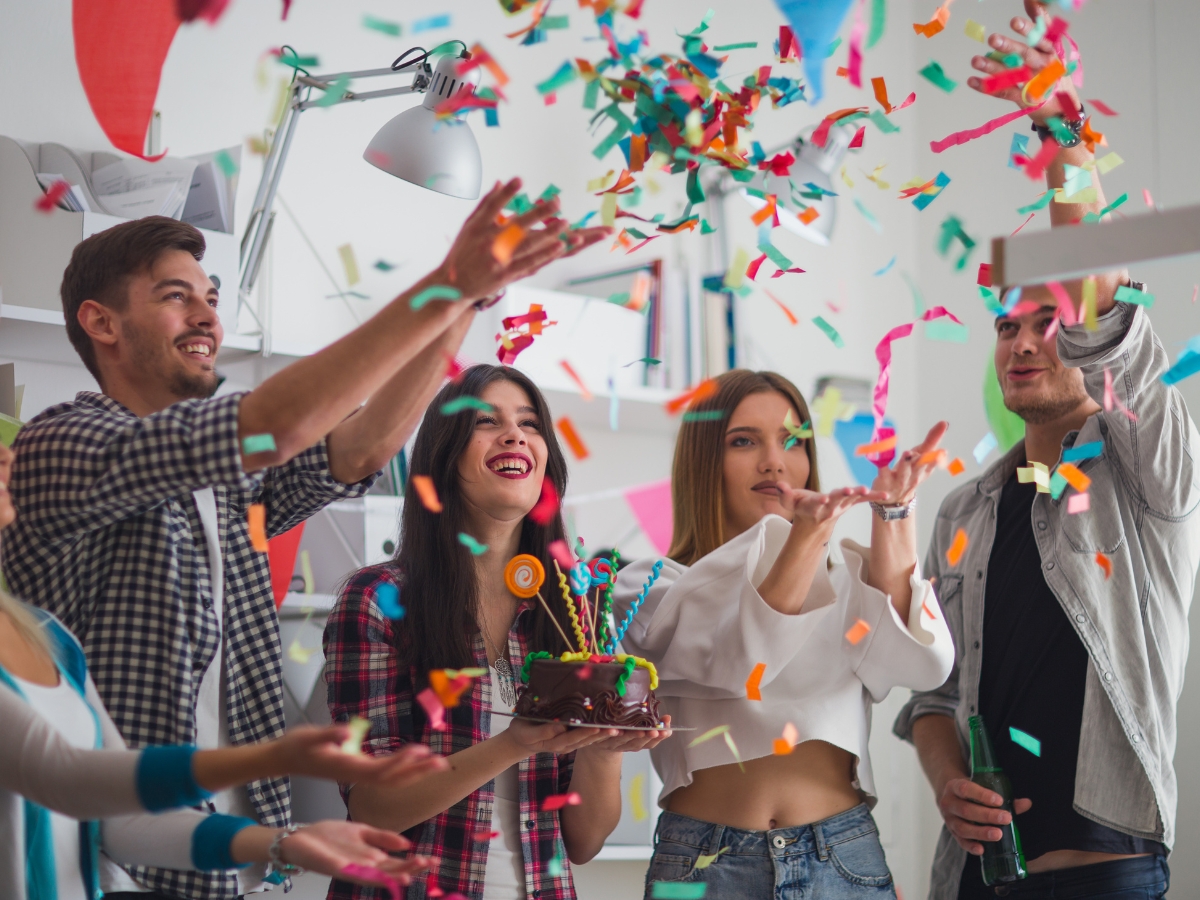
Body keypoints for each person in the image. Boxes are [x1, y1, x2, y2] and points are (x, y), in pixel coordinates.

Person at [3, 181, 607, 900]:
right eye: (176, 296)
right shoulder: (66, 442)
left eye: (212, 297)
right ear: (100, 323)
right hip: (113, 863)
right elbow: (277, 426)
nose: (207, 318)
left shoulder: (226, 486)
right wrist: (444, 282)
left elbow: (357, 451)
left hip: (230, 855)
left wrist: (465, 301)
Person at [893, 5, 1195, 898]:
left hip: (1110, 868)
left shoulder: (1148, 476)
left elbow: (1099, 308)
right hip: (979, 877)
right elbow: (933, 696)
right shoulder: (963, 510)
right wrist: (945, 778)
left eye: (1047, 323)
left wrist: (1062, 133)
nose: (1023, 342)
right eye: (1006, 328)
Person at [0, 441, 442, 900]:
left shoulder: (50, 638)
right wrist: (276, 757)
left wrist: (287, 844)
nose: (4, 454)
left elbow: (119, 818)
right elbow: (67, 777)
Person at [323, 364, 671, 900]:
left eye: (530, 424)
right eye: (486, 421)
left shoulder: (574, 610)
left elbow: (583, 842)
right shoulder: (378, 601)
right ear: (443, 457)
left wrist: (606, 747)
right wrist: (513, 743)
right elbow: (372, 807)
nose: (514, 434)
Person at [612, 369, 955, 899]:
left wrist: (894, 511)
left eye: (792, 441)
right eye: (744, 441)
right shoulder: (649, 587)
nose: (774, 459)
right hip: (703, 868)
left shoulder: (842, 582)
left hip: (842, 857)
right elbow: (744, 662)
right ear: (704, 461)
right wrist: (805, 539)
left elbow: (921, 664)